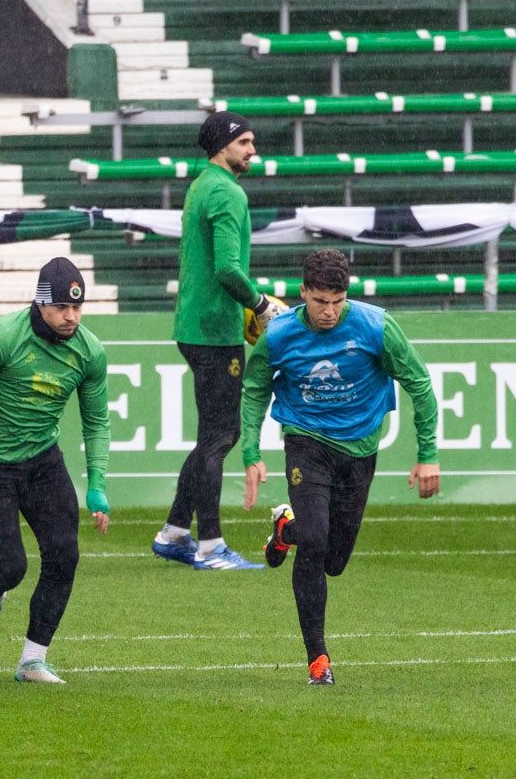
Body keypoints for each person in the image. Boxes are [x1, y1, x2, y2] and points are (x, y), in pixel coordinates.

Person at [241, 248, 440, 685]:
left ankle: (283, 530)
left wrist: (427, 454)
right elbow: (255, 387)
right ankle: (318, 659)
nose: (329, 312)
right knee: (315, 540)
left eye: (337, 300)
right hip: (305, 442)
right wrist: (251, 453)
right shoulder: (279, 334)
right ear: (303, 293)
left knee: (333, 561)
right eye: (319, 301)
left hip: (360, 450)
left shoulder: (375, 326)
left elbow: (420, 383)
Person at [0, 257, 111, 684]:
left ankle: (32, 659)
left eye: (78, 308)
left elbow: (97, 421)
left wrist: (98, 485)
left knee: (64, 554)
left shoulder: (89, 352)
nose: (71, 317)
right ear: (40, 303)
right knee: (10, 566)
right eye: (62, 309)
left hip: (42, 462)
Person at [154, 111, 289, 571]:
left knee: (212, 437)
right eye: (246, 142)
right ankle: (209, 545)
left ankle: (174, 531)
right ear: (222, 146)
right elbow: (228, 270)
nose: (254, 150)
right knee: (219, 436)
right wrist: (261, 304)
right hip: (214, 329)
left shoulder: (202, 184)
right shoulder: (227, 192)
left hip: (197, 324)